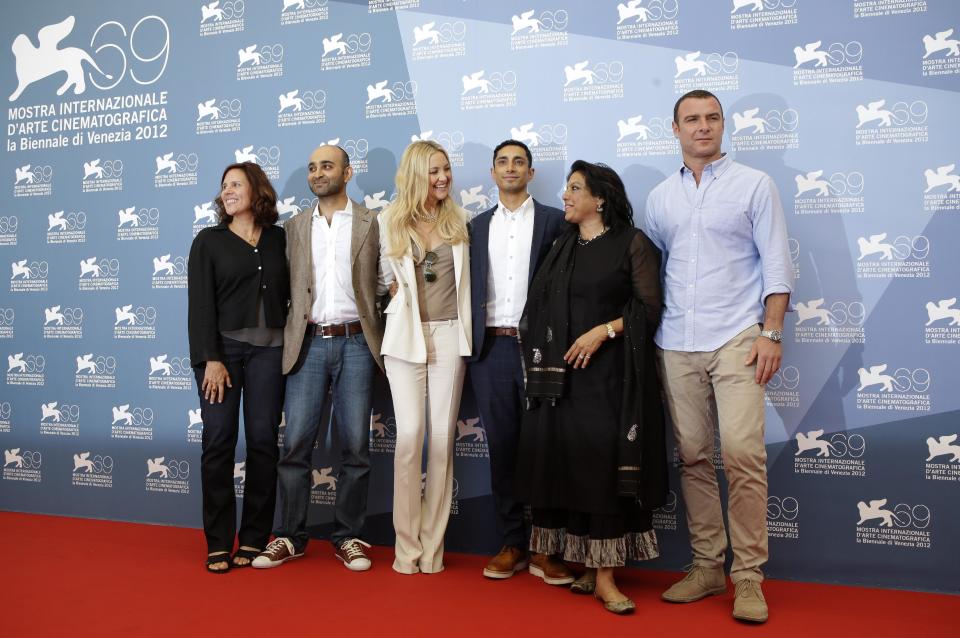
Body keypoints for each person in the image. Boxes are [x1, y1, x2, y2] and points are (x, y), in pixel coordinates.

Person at [644, 89, 793, 624]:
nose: (702, 127)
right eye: (691, 119)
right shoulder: (660, 198)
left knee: (743, 456)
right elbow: (655, 275)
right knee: (692, 457)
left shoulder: (755, 185)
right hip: (675, 342)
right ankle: (707, 566)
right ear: (675, 129)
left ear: (723, 125)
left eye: (711, 118)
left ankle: (748, 576)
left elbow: (776, 263)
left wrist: (771, 332)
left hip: (737, 337)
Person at [516, 160, 667, 614]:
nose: (565, 195)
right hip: (561, 382)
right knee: (574, 468)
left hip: (609, 379)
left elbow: (649, 309)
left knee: (603, 470)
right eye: (566, 188)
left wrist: (604, 331)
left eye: (575, 188)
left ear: (599, 198)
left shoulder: (630, 244)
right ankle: (584, 565)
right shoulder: (562, 245)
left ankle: (606, 577)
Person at [252, 145, 385, 571]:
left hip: (358, 343)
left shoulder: (374, 222)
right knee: (294, 446)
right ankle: (289, 536)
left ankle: (348, 536)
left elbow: (385, 282)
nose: (317, 173)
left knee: (355, 447)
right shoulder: (292, 227)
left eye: (326, 166)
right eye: (311, 167)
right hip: (307, 343)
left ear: (347, 172)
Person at [467, 140, 566, 581]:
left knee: (544, 449)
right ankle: (512, 543)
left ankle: (545, 547)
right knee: (502, 449)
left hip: (540, 350)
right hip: (489, 350)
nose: (510, 168)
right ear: (493, 173)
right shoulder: (475, 226)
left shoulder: (556, 222)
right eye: (502, 162)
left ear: (530, 171)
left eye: (518, 162)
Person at [187, 161, 289, 573]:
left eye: (236, 184)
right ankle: (217, 541)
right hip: (222, 355)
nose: (227, 191)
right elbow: (200, 307)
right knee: (219, 441)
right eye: (224, 185)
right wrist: (211, 358)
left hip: (271, 353)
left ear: (257, 191)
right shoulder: (208, 242)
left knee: (264, 442)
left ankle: (253, 538)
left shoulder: (280, 239)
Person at [378, 140, 471, 574]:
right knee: (410, 439)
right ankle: (406, 548)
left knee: (441, 444)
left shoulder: (461, 221)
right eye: (434, 171)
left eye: (447, 170)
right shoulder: (389, 221)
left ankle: (433, 549)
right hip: (404, 338)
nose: (443, 178)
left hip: (451, 335)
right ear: (416, 174)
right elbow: (381, 280)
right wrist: (394, 288)